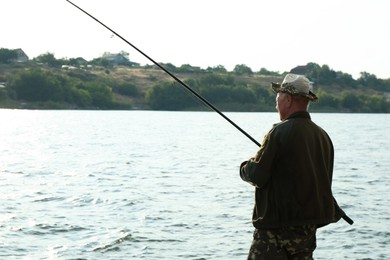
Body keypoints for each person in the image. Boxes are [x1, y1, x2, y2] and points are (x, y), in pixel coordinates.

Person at [240, 74, 353, 259]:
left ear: (288, 99)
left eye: (278, 98)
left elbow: (257, 175)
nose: (276, 104)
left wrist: (245, 167)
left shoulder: (278, 132)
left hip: (275, 232)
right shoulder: (322, 136)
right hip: (306, 233)